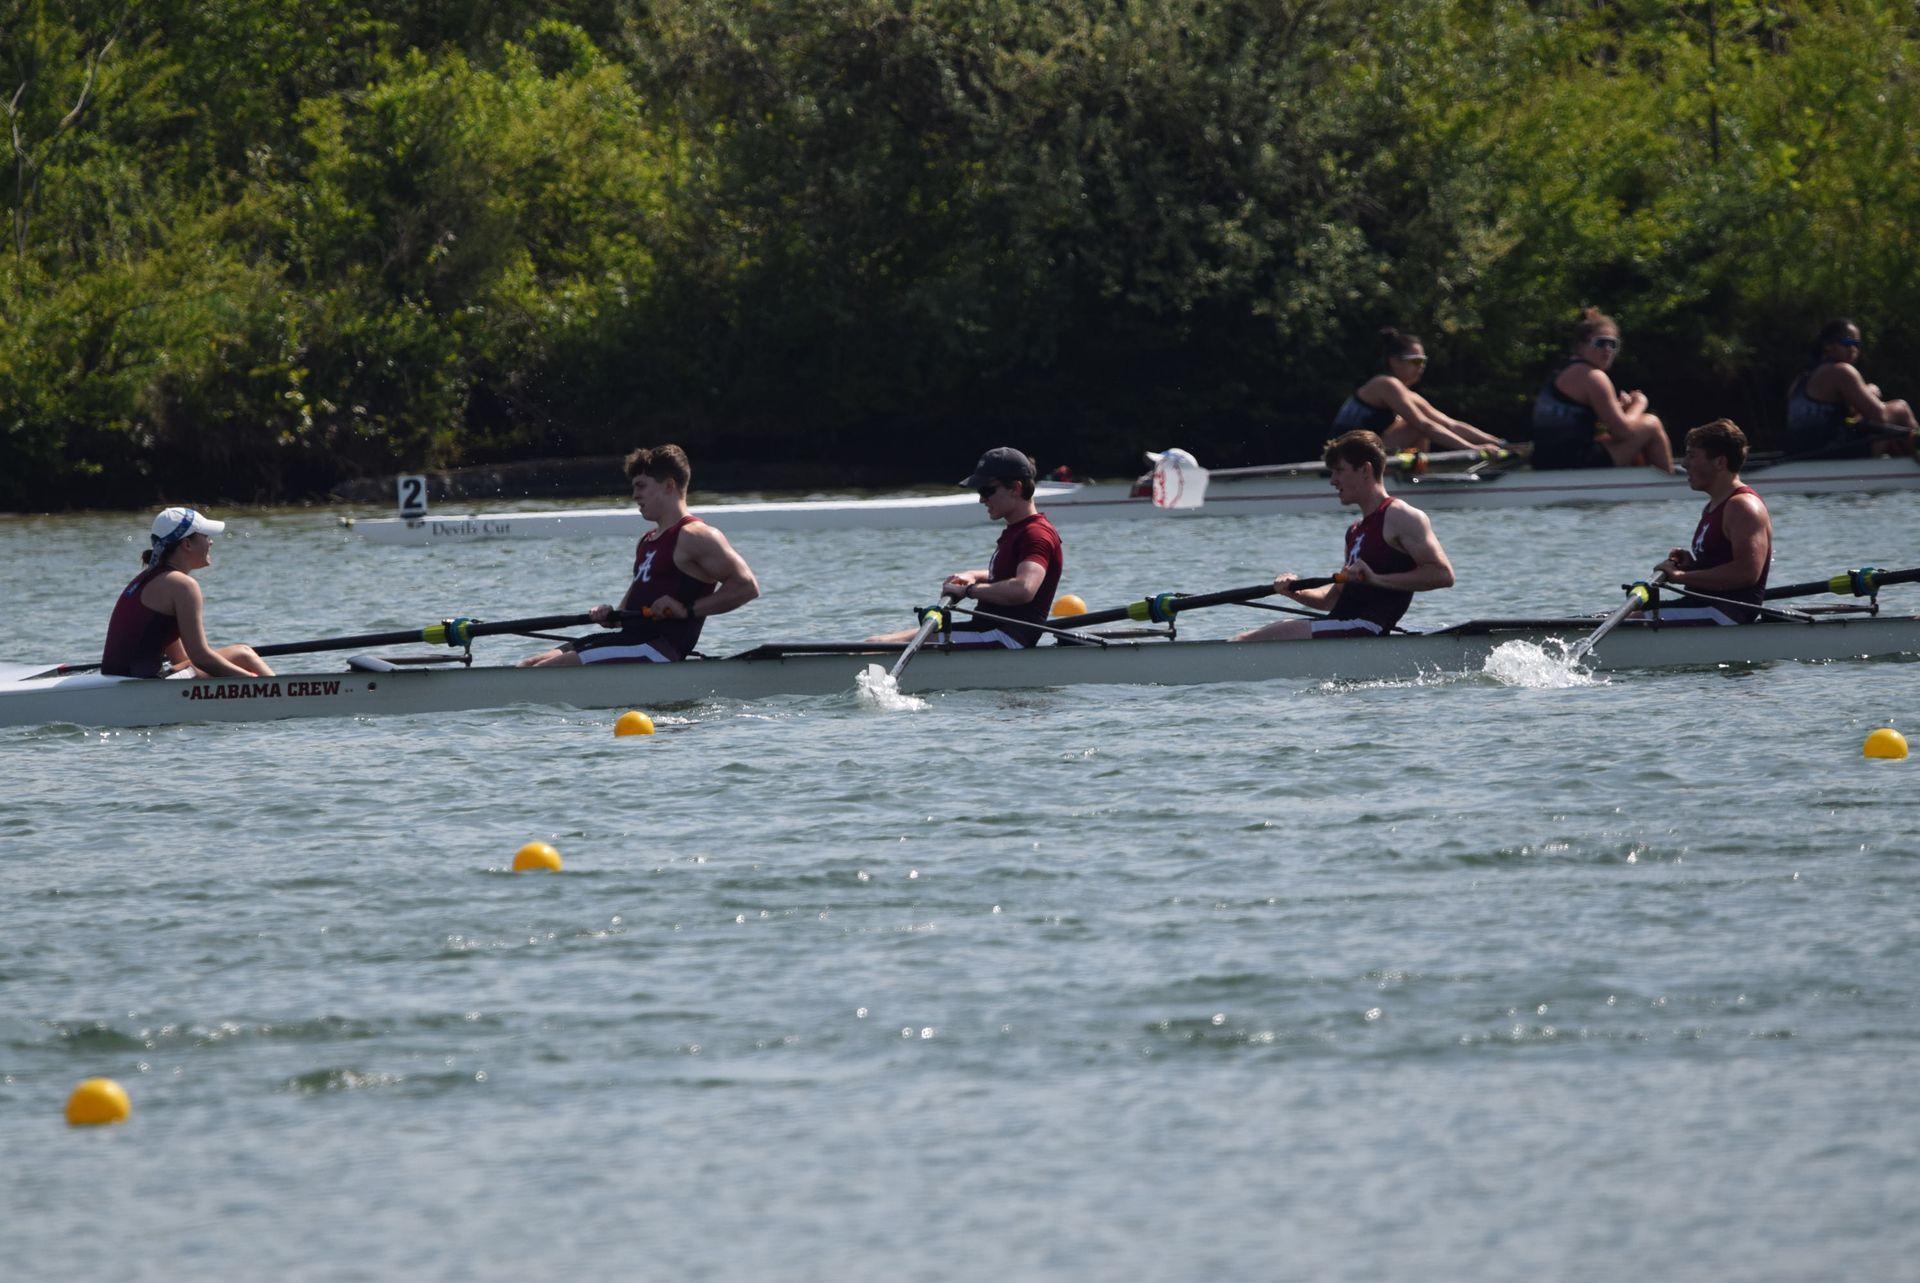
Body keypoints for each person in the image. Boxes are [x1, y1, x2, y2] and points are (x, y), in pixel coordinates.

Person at [520, 445, 758, 666]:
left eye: (641, 486)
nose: (634, 495)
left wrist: (688, 609)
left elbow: (746, 587)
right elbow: (626, 612)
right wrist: (610, 615)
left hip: (659, 649)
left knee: (547, 670)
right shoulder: (647, 541)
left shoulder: (696, 535)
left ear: (669, 486)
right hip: (631, 640)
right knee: (530, 666)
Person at [1231, 430, 1455, 642]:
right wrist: (1295, 591)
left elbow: (1442, 574)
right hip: (1343, 625)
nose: (1332, 480)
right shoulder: (1354, 531)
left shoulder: (1401, 515)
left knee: (1252, 639)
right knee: (1263, 633)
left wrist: (1377, 580)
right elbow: (1334, 599)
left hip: (1367, 629)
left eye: (1339, 470)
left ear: (1365, 470)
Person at [866, 447, 1064, 649]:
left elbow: (1023, 589)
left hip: (1006, 638)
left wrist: (970, 591)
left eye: (987, 491)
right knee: (876, 642)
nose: (982, 499)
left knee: (879, 646)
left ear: (1015, 488)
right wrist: (974, 576)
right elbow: (1009, 575)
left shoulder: (1036, 534)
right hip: (986, 629)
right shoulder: (1019, 530)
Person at [101, 507, 274, 678]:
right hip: (140, 686)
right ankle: (286, 699)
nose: (211, 542)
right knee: (243, 654)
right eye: (206, 536)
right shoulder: (182, 585)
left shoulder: (148, 577)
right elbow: (201, 658)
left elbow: (180, 660)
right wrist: (252, 683)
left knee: (232, 661)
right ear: (187, 544)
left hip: (126, 680)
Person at [1650, 419, 1773, 625]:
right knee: (1605, 618)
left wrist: (1680, 577)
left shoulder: (1743, 506)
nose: (1684, 464)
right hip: (1705, 606)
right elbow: (1723, 565)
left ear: (1719, 462)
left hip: (1727, 613)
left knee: (1626, 620)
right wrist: (1692, 567)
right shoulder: (1715, 505)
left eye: (1692, 455)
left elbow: (1746, 573)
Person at [1531, 308, 1674, 472]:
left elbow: (1585, 426)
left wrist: (1620, 410)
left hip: (1545, 460)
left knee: (1609, 437)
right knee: (1651, 423)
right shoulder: (1593, 377)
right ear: (1581, 346)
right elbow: (1623, 433)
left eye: (1612, 344)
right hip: (1574, 462)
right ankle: (1666, 487)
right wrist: (1638, 404)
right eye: (1600, 343)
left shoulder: (1562, 371)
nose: (1607, 350)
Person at [1332, 327, 1507, 454]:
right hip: (1342, 457)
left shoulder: (1407, 394)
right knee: (1417, 426)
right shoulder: (1384, 384)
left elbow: (1450, 424)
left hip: (1364, 452)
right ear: (1394, 361)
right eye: (1415, 361)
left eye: (1424, 361)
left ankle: (1416, 475)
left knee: (1423, 425)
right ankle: (1414, 477)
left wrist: (1499, 443)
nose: (1421, 366)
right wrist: (1473, 449)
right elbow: (1424, 425)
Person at [1784, 318, 1919, 456]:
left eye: (1857, 344)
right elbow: (1880, 416)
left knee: (1881, 431)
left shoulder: (1801, 380)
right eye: (1848, 342)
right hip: (1832, 452)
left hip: (1802, 454)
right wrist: (1870, 392)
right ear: (1828, 346)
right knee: (1900, 408)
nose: (1853, 349)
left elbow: (1842, 418)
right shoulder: (1841, 371)